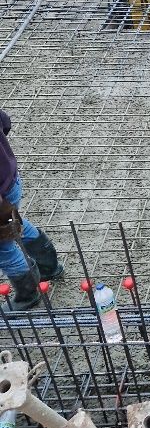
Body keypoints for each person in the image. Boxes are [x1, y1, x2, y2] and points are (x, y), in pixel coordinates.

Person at [0, 109, 63, 310]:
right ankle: (49, 267)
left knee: (3, 246)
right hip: (10, 180)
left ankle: (28, 295)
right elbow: (5, 122)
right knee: (14, 222)